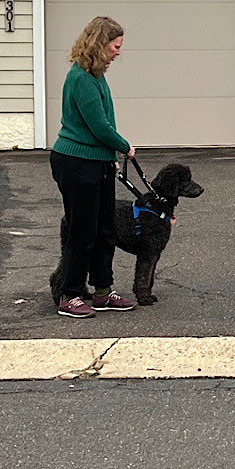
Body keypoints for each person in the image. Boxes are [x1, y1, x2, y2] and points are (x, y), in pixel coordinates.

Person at [49, 16, 138, 318]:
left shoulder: (96, 76)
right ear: (100, 44)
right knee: (82, 232)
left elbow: (103, 124)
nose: (118, 52)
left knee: (104, 230)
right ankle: (69, 295)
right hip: (76, 163)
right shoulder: (81, 79)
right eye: (115, 46)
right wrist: (124, 146)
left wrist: (110, 157)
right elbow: (99, 126)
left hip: (97, 162)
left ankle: (102, 291)